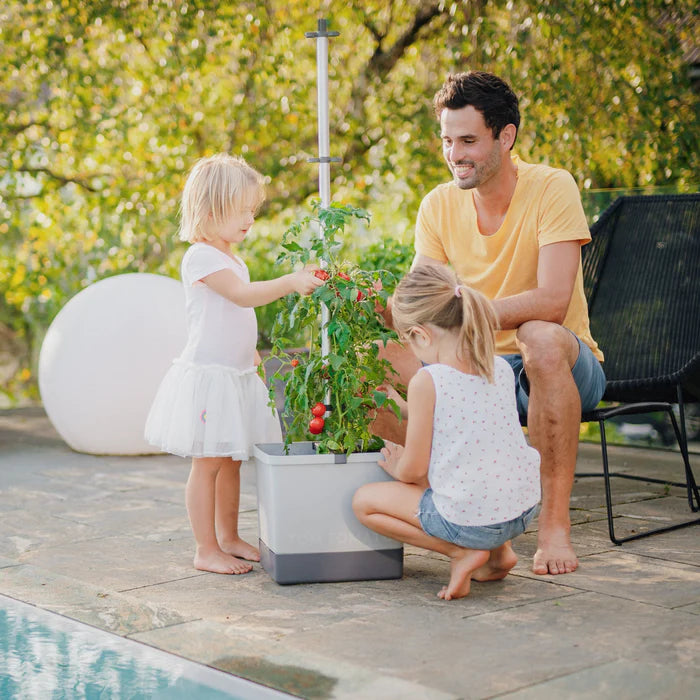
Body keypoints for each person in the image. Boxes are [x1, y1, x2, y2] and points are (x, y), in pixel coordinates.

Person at [372, 71, 606, 576]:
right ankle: (471, 522)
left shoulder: (551, 186)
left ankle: (553, 528)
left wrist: (465, 318)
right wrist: (378, 307)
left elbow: (553, 299)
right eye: (447, 141)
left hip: (559, 365)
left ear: (506, 136)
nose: (455, 153)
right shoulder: (437, 205)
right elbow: (420, 312)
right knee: (375, 362)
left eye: (469, 141)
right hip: (475, 367)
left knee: (539, 338)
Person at [145, 153, 325, 575]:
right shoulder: (201, 258)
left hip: (237, 374)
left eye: (252, 210)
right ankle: (205, 547)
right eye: (240, 210)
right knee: (207, 464)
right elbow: (242, 298)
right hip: (211, 379)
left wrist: (255, 364)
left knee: (231, 461)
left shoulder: (230, 256)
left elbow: (239, 322)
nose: (250, 219)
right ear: (209, 212)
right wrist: (290, 283)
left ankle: (228, 536)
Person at [354, 265, 541, 600]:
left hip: (473, 522)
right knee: (481, 470)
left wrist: (395, 465)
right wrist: (406, 404)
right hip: (521, 510)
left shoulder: (428, 381)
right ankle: (501, 554)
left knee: (364, 503)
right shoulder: (496, 366)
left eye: (407, 340)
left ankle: (461, 553)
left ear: (422, 335)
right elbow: (462, 410)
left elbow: (413, 470)